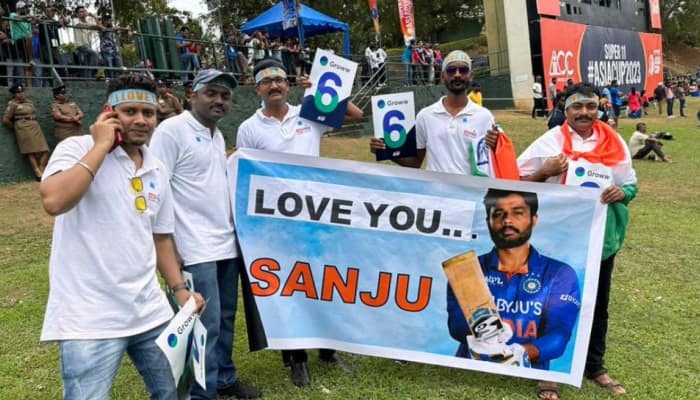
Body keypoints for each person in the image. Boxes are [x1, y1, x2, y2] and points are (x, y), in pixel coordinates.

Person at [38, 73, 206, 400]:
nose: (141, 120)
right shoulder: (77, 148)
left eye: (149, 113)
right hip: (89, 318)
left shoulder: (156, 167)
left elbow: (161, 238)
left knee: (174, 393)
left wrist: (179, 290)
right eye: (130, 111)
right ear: (109, 113)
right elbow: (54, 201)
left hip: (150, 311)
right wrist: (102, 145)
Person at [236, 58, 363, 388]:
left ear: (289, 84)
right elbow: (245, 176)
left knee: (325, 284)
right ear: (257, 88)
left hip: (320, 216)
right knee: (290, 289)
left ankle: (328, 349)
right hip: (277, 224)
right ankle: (297, 358)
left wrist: (322, 93)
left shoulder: (309, 112)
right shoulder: (249, 128)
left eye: (279, 79)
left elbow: (356, 116)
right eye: (267, 82)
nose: (274, 86)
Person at [518, 82, 637, 398]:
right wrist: (544, 171)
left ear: (599, 107)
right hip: (559, 241)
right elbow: (514, 182)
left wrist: (620, 193)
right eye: (577, 107)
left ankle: (594, 366)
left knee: (598, 304)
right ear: (564, 109)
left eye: (590, 106)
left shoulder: (615, 142)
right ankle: (549, 373)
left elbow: (631, 185)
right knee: (551, 303)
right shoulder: (550, 141)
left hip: (600, 241)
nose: (585, 113)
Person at [149, 70, 261, 400]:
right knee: (202, 324)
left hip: (225, 244)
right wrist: (169, 247)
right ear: (191, 95)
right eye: (211, 93)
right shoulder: (171, 131)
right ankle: (202, 392)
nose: (219, 101)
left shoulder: (215, 134)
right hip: (194, 247)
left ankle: (223, 378)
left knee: (225, 318)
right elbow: (157, 189)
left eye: (225, 96)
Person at [447, 189, 581, 373]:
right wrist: (487, 342)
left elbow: (559, 332)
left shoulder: (559, 273)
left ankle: (547, 382)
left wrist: (521, 353)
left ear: (534, 220)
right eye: (499, 214)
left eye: (517, 213)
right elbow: (456, 326)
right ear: (488, 222)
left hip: (529, 373)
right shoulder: (466, 270)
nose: (507, 221)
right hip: (471, 370)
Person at [370, 50, 518, 180]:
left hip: (472, 199)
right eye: (451, 70)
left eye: (463, 70)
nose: (457, 75)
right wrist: (387, 150)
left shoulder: (484, 117)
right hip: (438, 201)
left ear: (471, 76)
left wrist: (496, 145)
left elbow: (492, 162)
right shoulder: (425, 116)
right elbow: (415, 163)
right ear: (442, 77)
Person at [2, 82, 49, 179]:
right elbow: (6, 120)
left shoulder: (29, 102)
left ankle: (42, 168)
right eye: (18, 93)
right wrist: (15, 127)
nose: (21, 94)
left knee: (45, 150)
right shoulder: (12, 104)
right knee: (30, 151)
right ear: (14, 94)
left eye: (22, 92)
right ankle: (38, 173)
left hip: (35, 126)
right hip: (23, 128)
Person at [72, 6, 100, 79]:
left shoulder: (89, 20)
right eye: (81, 12)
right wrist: (92, 26)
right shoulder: (75, 20)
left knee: (88, 63)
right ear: (77, 14)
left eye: (84, 11)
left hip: (88, 46)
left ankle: (88, 78)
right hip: (80, 46)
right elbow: (80, 25)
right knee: (95, 54)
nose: (83, 13)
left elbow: (99, 26)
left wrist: (93, 16)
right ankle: (89, 75)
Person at [99, 13, 127, 80]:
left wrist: (128, 31)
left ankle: (120, 80)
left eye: (110, 20)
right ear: (104, 21)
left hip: (114, 50)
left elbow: (123, 29)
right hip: (106, 50)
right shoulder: (102, 28)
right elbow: (103, 29)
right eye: (107, 20)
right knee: (109, 66)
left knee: (119, 66)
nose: (109, 21)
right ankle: (110, 80)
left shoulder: (114, 29)